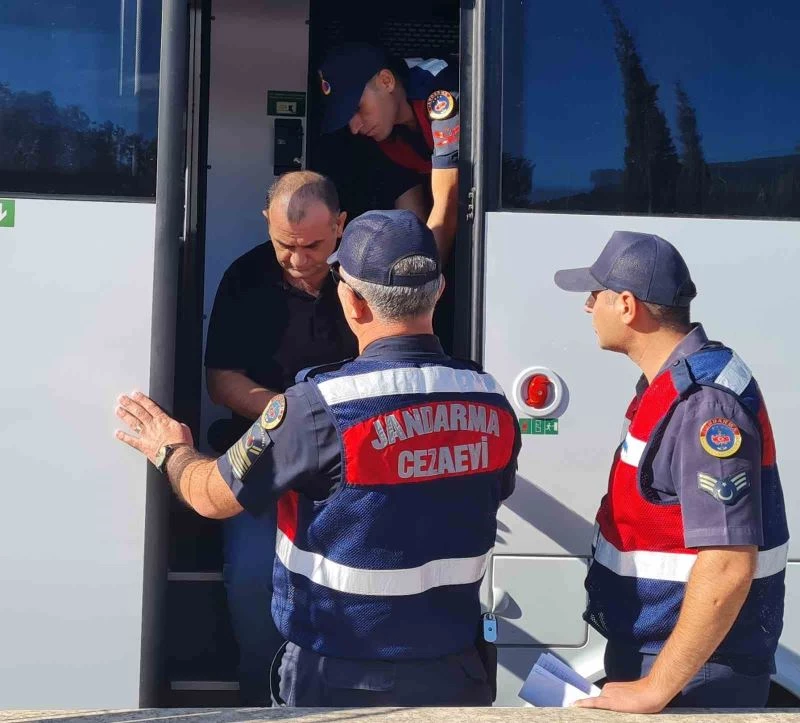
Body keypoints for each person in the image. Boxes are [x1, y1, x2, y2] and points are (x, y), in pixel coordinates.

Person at [115, 209, 521, 707]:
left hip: (337, 679)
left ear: (350, 300)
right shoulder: (491, 401)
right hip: (458, 675)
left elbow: (209, 497)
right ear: (437, 293)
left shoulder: (316, 409)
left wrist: (170, 448)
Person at [553, 231, 788, 712]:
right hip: (674, 660)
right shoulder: (671, 385)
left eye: (594, 295)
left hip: (694, 678)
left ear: (625, 305)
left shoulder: (705, 405)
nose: (587, 307)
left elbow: (727, 563)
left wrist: (656, 688)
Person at [204, 170, 357, 704]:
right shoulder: (245, 277)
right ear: (266, 225)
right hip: (263, 453)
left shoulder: (364, 277)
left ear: (340, 226)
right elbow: (220, 381)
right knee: (250, 583)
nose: (296, 260)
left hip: (353, 462)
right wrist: (296, 416)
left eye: (312, 246)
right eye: (283, 245)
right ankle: (258, 700)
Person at [317, 44, 459, 262]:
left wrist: (421, 283)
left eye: (357, 108)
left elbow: (448, 203)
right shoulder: (386, 134)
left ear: (386, 81)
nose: (355, 128)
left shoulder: (440, 92)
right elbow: (412, 221)